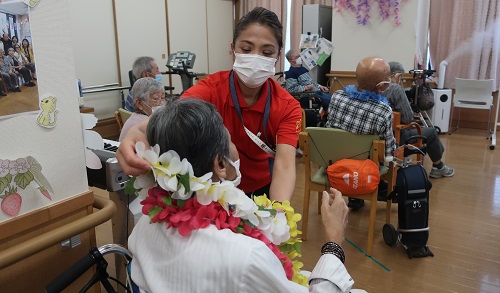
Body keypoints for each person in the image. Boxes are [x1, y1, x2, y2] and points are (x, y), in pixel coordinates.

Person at [128, 97, 365, 293]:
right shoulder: (247, 256)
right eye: (229, 139)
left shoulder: (143, 227)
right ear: (220, 164)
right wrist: (334, 239)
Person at [116, 7, 302, 202]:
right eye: (246, 49)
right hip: (214, 189)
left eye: (267, 52)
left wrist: (279, 211)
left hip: (260, 188)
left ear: (278, 57)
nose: (255, 57)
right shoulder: (210, 90)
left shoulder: (287, 107)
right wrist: (134, 134)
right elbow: (167, 119)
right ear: (232, 50)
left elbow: (285, 165)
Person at [325, 57, 396, 210]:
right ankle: (369, 191)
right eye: (388, 78)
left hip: (336, 161)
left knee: (351, 148)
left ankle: (355, 198)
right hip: (364, 168)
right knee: (376, 153)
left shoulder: (337, 97)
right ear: (381, 86)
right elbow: (388, 152)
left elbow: (330, 127)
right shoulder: (383, 110)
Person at [383, 61, 455, 179]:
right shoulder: (395, 89)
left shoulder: (372, 87)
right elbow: (408, 118)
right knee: (431, 132)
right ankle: (439, 167)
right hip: (395, 136)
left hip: (377, 137)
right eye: (401, 76)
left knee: (428, 133)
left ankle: (439, 164)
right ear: (396, 75)